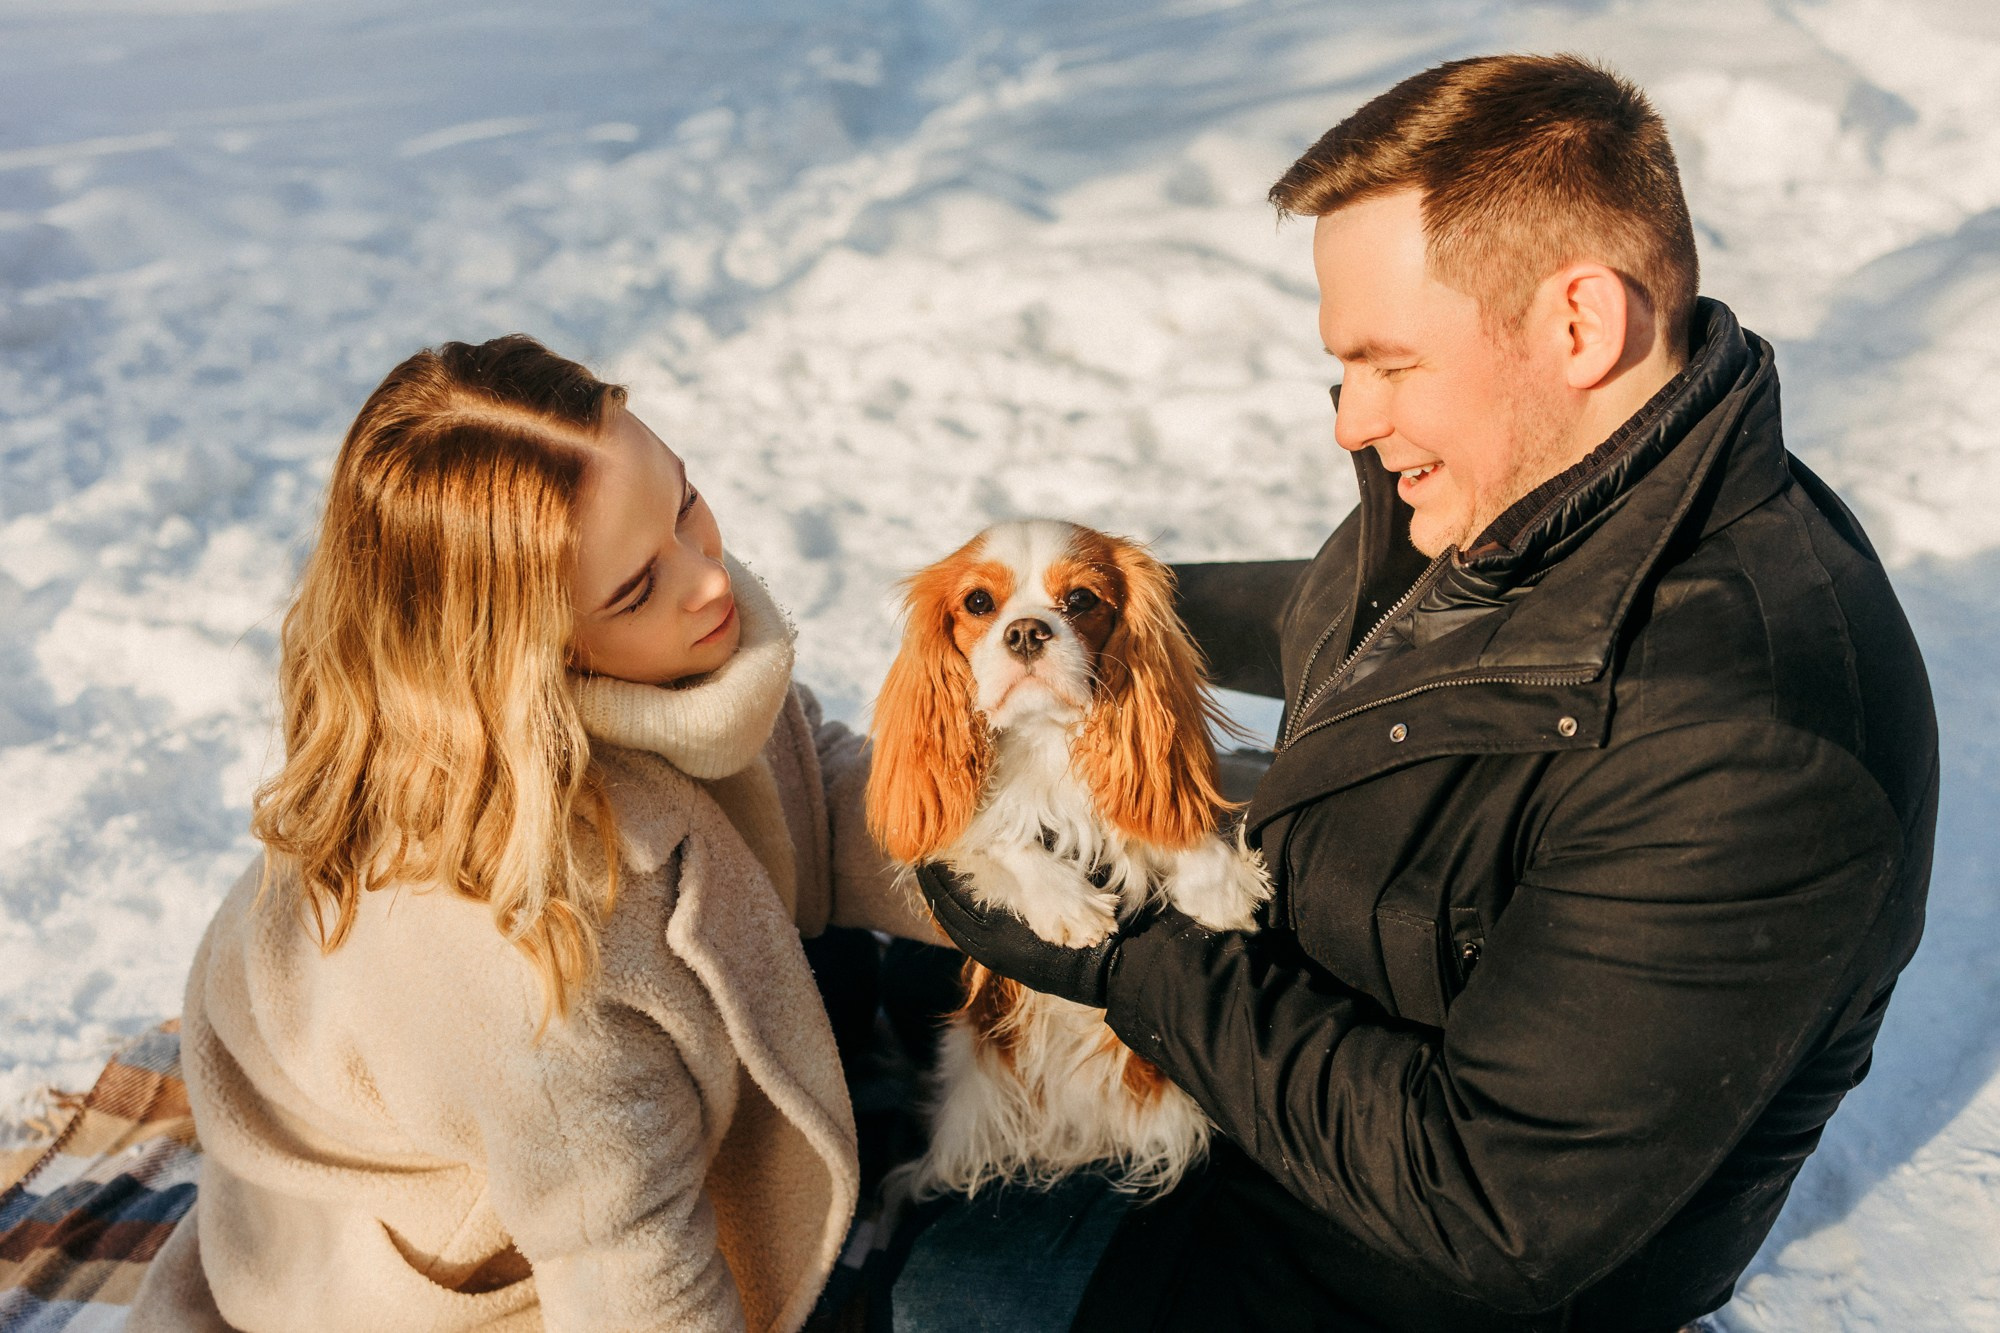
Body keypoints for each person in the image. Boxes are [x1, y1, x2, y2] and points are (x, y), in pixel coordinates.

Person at [916, 54, 1938, 1331]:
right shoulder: (1539, 494)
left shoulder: (1750, 743)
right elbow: (1347, 625)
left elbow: (1483, 1209)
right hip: (1255, 1082)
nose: (1351, 418)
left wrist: (1131, 957)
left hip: (1351, 1271)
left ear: (1579, 325)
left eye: (1385, 362)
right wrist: (1092, 606)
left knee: (877, 1285)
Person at [130, 335, 935, 1332]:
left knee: (894, 988)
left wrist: (1085, 860)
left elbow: (828, 795)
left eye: (684, 502)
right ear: (523, 651)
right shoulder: (520, 944)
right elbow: (631, 1281)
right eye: (636, 586)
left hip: (587, 1127)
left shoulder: (665, 660)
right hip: (459, 1263)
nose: (708, 580)